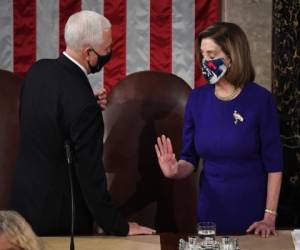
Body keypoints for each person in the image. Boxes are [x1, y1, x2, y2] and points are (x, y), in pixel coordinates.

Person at [9, 10, 155, 236]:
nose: (109, 53)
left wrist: (86, 108)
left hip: (21, 210)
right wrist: (119, 226)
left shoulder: (37, 71)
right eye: (106, 49)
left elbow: (47, 124)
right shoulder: (81, 101)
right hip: (59, 220)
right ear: (88, 52)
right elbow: (90, 175)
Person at [155, 22, 283, 237]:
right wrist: (176, 170)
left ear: (232, 56)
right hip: (210, 211)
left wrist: (269, 216)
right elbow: (190, 158)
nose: (205, 61)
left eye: (211, 54)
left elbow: (275, 165)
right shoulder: (197, 99)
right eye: (203, 54)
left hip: (253, 214)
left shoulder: (261, 100)